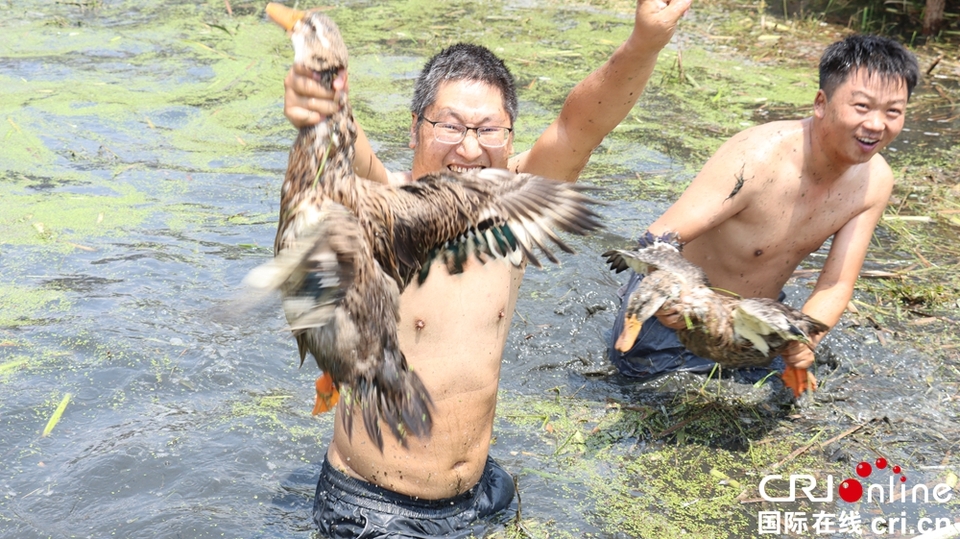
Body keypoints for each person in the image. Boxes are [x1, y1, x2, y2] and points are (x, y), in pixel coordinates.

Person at [281, 0, 692, 537]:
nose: (470, 148)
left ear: (510, 139)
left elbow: (580, 124)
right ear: (415, 130)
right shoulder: (384, 201)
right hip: (373, 507)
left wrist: (645, 42)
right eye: (450, 126)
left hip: (478, 498)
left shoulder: (515, 210)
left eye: (488, 130)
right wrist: (321, 101)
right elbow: (343, 144)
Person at [607, 34, 919, 392]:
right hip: (679, 322)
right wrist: (667, 303)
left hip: (755, 325)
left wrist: (803, 343)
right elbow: (659, 239)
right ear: (821, 103)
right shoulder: (755, 159)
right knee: (640, 396)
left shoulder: (875, 180)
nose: (877, 125)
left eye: (893, 111)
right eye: (862, 107)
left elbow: (835, 283)